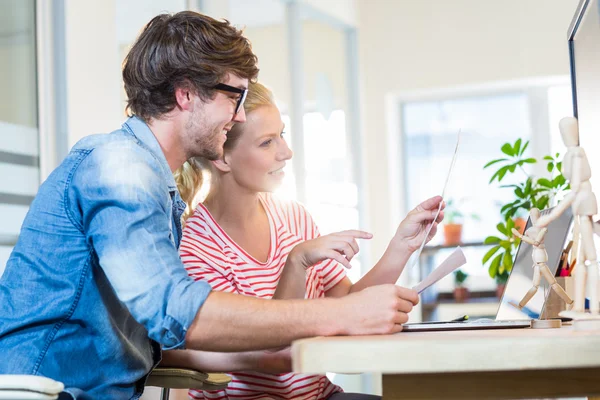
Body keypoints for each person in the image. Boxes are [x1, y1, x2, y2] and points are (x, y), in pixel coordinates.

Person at [0, 11, 421, 399]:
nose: (239, 116)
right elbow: (179, 312)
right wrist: (340, 314)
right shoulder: (119, 168)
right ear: (186, 95)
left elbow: (164, 339)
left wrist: (271, 353)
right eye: (233, 96)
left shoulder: (156, 189)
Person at [174, 82, 445, 400]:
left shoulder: (294, 216)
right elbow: (272, 349)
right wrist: (296, 262)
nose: (286, 153)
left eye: (282, 135)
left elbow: (347, 304)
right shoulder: (196, 249)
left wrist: (403, 245)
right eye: (266, 143)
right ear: (221, 156)